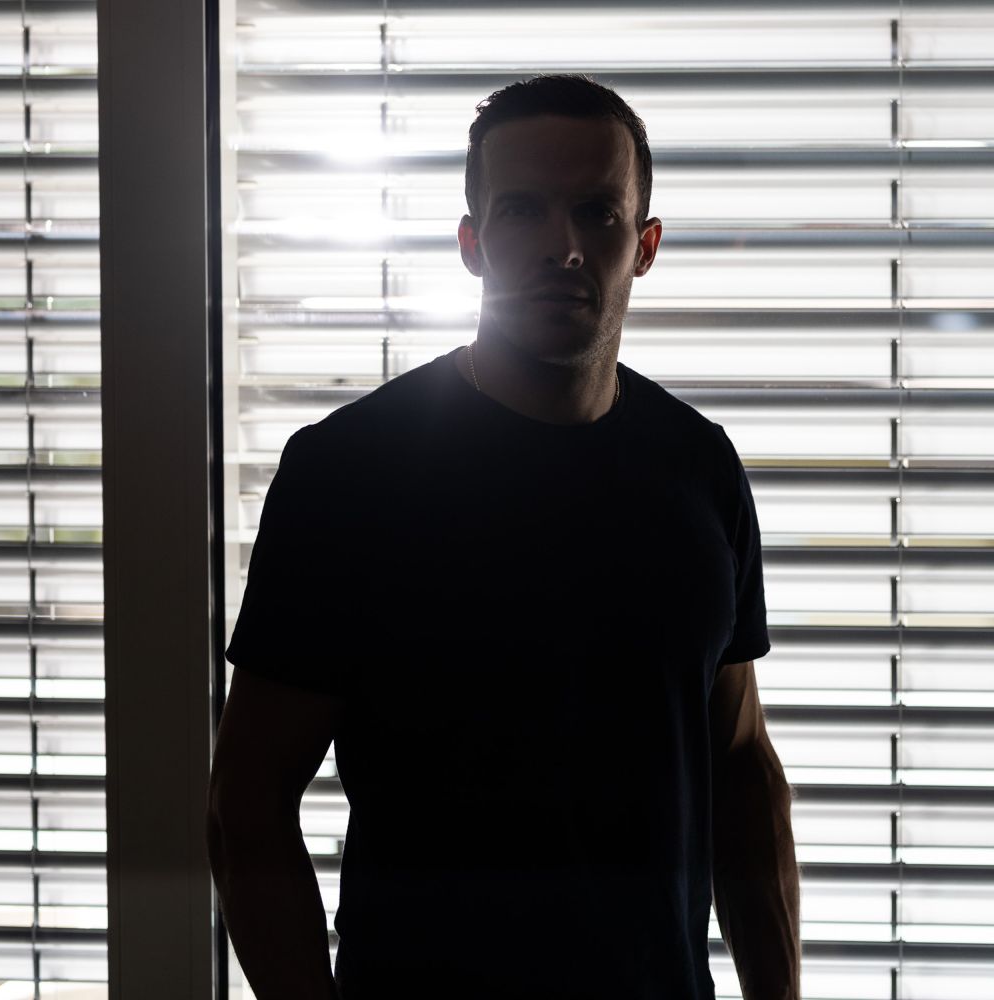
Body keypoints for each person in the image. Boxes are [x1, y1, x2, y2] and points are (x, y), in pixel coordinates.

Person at [207, 74, 801, 1000]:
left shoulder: (700, 467)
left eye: (597, 212)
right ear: (472, 243)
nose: (563, 247)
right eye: (523, 210)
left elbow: (740, 766)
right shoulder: (349, 471)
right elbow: (248, 803)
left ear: (644, 246)